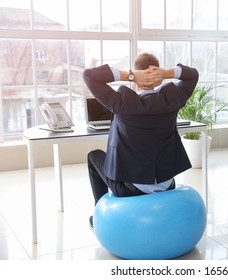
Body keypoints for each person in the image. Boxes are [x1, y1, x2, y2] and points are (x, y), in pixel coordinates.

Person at [83, 53, 199, 228]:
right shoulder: (172, 99)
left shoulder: (121, 102)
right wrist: (166, 73)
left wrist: (129, 75)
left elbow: (89, 75)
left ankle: (99, 214)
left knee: (93, 156)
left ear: (136, 78)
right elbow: (193, 75)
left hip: (131, 189)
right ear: (158, 77)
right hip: (167, 185)